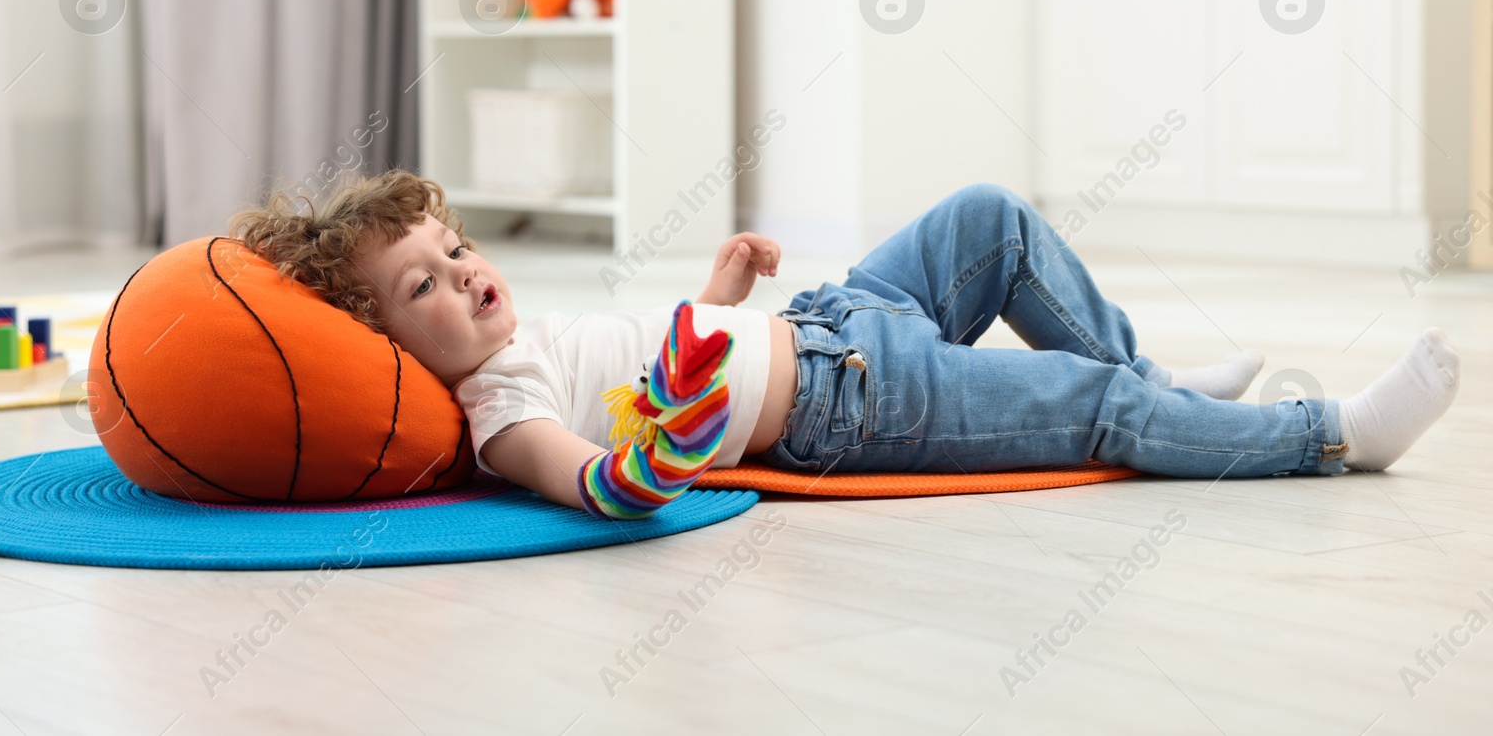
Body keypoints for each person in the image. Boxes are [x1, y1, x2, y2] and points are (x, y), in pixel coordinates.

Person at [233, 172, 1460, 519]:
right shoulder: (495, 413)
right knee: (1083, 405)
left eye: (454, 251)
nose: (463, 275)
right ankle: (1330, 434)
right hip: (852, 402)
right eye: (424, 285)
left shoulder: (519, 331)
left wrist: (714, 294)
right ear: (381, 337)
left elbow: (665, 355)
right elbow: (594, 477)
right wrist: (653, 458)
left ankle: (1150, 372)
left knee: (989, 218)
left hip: (827, 319)